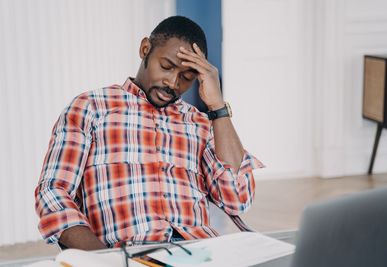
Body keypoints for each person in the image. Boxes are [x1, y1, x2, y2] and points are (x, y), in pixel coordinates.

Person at [35, 16, 264, 250]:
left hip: (200, 251)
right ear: (145, 49)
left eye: (187, 77)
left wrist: (217, 107)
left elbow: (237, 200)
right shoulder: (91, 108)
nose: (173, 83)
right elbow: (53, 193)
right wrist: (104, 260)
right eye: (166, 66)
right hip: (130, 253)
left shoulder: (200, 123)